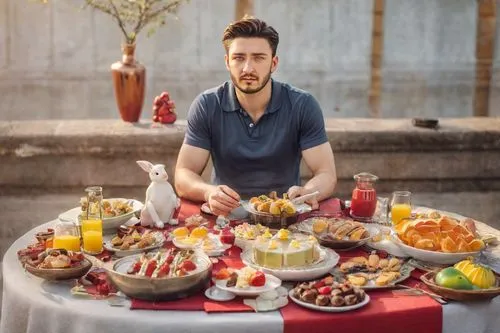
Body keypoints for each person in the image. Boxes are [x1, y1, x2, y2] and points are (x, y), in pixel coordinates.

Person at [153, 16, 337, 217]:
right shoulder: (207, 104)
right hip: (225, 219)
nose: (248, 68)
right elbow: (183, 175)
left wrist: (308, 192)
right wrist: (209, 192)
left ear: (273, 63)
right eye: (239, 57)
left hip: (285, 220)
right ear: (227, 62)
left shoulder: (302, 105)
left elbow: (326, 173)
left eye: (259, 58)